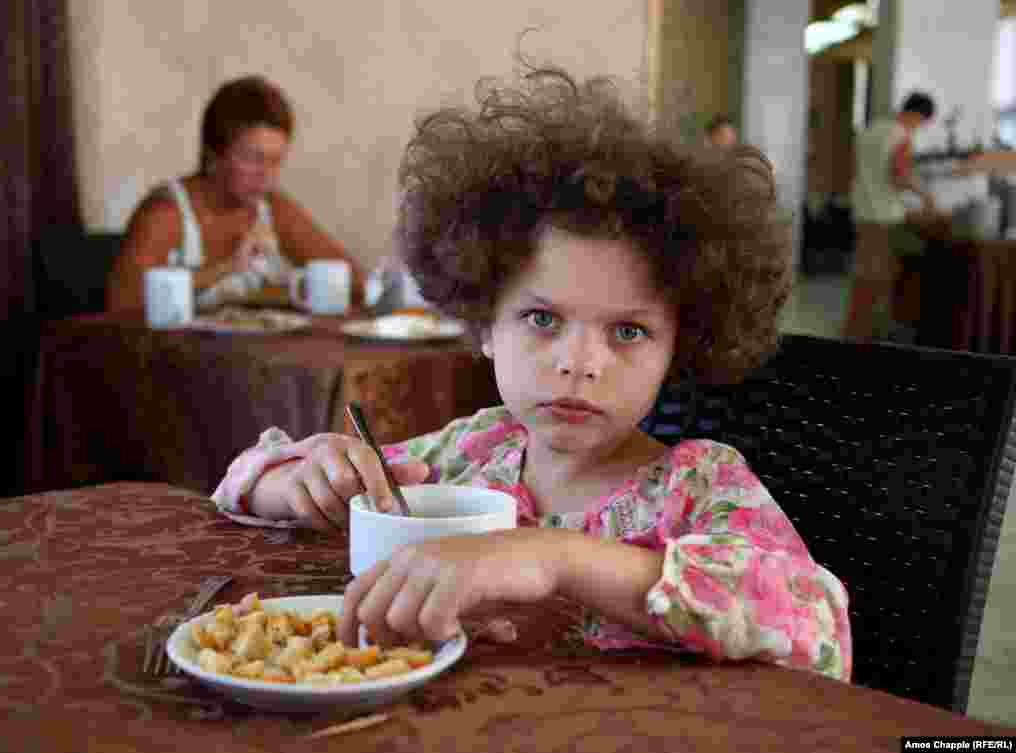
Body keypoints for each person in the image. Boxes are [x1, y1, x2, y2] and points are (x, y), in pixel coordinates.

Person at [211, 66, 852, 682]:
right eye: (543, 319)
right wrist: (299, 481)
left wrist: (555, 558)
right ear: (485, 322)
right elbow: (241, 487)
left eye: (628, 331)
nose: (579, 362)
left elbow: (816, 627)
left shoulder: (700, 485)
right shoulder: (467, 454)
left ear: (679, 348)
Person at [106, 75, 365, 311]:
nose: (267, 174)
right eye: (253, 158)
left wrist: (295, 289)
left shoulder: (272, 209)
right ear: (213, 155)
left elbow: (354, 282)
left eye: (276, 160)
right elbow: (121, 304)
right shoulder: (166, 214)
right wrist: (224, 269)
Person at [842, 91, 949, 341]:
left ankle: (854, 333)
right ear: (917, 116)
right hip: (885, 219)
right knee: (880, 281)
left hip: (863, 213)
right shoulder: (901, 136)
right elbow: (898, 177)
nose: (918, 128)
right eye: (921, 123)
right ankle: (870, 338)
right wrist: (925, 196)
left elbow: (859, 172)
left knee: (863, 279)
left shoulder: (870, 130)